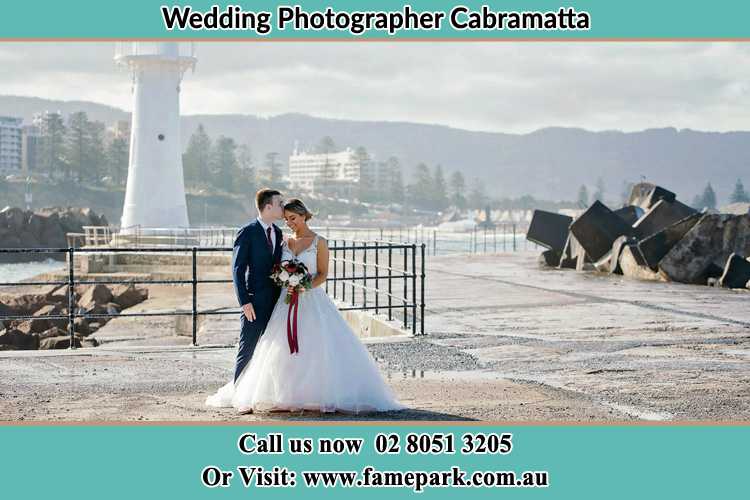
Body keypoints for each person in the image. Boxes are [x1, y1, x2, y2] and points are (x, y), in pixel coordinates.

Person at [206, 198, 404, 414]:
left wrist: (303, 285)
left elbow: (323, 274)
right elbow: (273, 268)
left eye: (293, 218)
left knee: (316, 347)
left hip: (312, 300)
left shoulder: (320, 242)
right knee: (281, 350)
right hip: (285, 301)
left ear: (303, 216)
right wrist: (285, 282)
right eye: (286, 219)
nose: (289, 223)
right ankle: (285, 395)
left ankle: (315, 395)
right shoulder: (284, 241)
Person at [229, 188, 284, 386]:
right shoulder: (248, 231)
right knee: (247, 348)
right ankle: (238, 392)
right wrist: (245, 301)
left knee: (274, 350)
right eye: (280, 204)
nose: (283, 208)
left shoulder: (278, 232)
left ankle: (268, 392)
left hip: (277, 303)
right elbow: (237, 269)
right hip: (254, 301)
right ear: (268, 207)